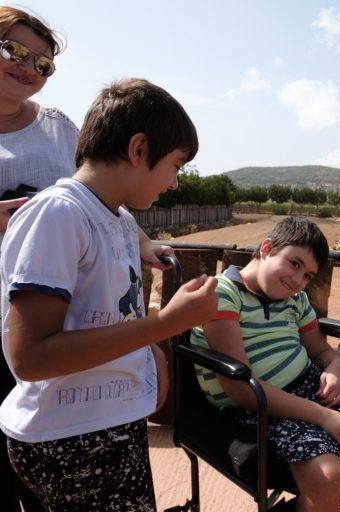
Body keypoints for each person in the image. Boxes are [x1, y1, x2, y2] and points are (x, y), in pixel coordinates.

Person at [0, 77, 220, 511]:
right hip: (73, 442)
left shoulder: (118, 221)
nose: (175, 183)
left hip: (105, 427)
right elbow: (30, 357)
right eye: (176, 165)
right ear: (139, 149)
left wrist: (151, 356)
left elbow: (113, 316)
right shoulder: (59, 214)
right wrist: (167, 324)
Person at [191, 216, 340, 512]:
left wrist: (337, 367)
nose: (298, 281)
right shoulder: (224, 294)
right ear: (267, 248)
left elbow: (320, 351)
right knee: (328, 478)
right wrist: (323, 416)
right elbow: (240, 389)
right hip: (256, 407)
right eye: (294, 264)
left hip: (310, 387)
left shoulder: (294, 300)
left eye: (308, 275)